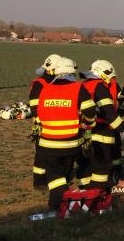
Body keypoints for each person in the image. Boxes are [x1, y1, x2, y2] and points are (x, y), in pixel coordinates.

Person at [31, 57, 96, 211]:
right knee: (63, 175)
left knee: (55, 177)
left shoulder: (45, 88)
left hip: (47, 143)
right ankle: (64, 204)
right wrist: (87, 125)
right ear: (72, 72)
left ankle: (57, 207)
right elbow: (90, 112)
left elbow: (37, 113)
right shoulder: (78, 88)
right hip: (71, 143)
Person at [79, 60, 124, 188]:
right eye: (111, 77)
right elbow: (109, 114)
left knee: (86, 165)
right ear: (103, 74)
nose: (112, 80)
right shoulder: (99, 87)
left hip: (83, 131)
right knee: (101, 166)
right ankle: (98, 195)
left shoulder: (83, 86)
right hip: (101, 131)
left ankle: (84, 191)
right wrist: (123, 129)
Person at [28, 54, 62, 188]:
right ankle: (39, 182)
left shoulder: (55, 82)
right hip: (42, 125)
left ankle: (52, 179)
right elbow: (35, 108)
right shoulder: (40, 84)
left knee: (53, 153)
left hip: (55, 124)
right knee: (42, 154)